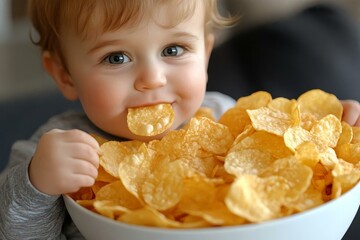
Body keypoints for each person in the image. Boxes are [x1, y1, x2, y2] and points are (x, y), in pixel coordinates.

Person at [0, 0, 359, 239]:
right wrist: (37, 185)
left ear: (205, 55)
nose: (152, 78)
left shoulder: (229, 118)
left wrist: (326, 132)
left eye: (173, 50)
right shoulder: (54, 146)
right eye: (116, 58)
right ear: (64, 75)